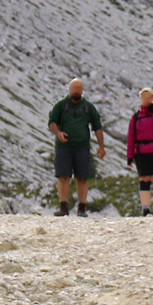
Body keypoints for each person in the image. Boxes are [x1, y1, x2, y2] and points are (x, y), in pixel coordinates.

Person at [47, 78, 106, 217]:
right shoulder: (61, 105)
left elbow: (97, 127)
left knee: (82, 177)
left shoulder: (88, 107)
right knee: (63, 176)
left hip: (82, 147)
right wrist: (58, 133)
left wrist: (101, 146)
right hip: (63, 147)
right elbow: (52, 122)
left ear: (82, 90)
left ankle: (82, 208)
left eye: (79, 88)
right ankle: (63, 206)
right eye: (74, 88)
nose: (76, 90)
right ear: (69, 89)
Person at [126, 88, 153, 216]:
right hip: (141, 152)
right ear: (140, 99)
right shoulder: (135, 117)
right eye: (144, 97)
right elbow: (131, 137)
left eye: (149, 97)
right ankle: (146, 209)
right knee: (144, 179)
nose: (146, 99)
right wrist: (129, 155)